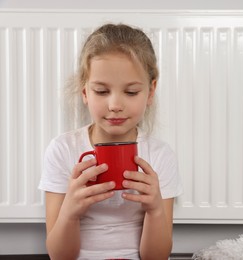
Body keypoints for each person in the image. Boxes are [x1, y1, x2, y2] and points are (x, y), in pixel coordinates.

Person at [38, 23, 183, 260]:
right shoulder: (63, 149)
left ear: (151, 90)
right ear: (85, 92)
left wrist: (155, 210)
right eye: (102, 91)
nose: (115, 105)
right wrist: (70, 213)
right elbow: (59, 256)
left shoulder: (159, 155)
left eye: (131, 92)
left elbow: (156, 257)